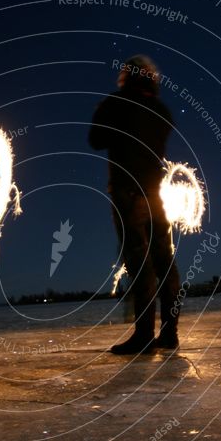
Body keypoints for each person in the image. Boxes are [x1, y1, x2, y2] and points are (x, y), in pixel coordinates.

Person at [89, 54, 181, 354]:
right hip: (156, 194)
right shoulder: (162, 110)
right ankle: (169, 333)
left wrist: (103, 112)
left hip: (129, 193)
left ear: (127, 76)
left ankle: (143, 335)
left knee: (140, 265)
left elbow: (95, 139)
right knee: (164, 262)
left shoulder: (115, 104)